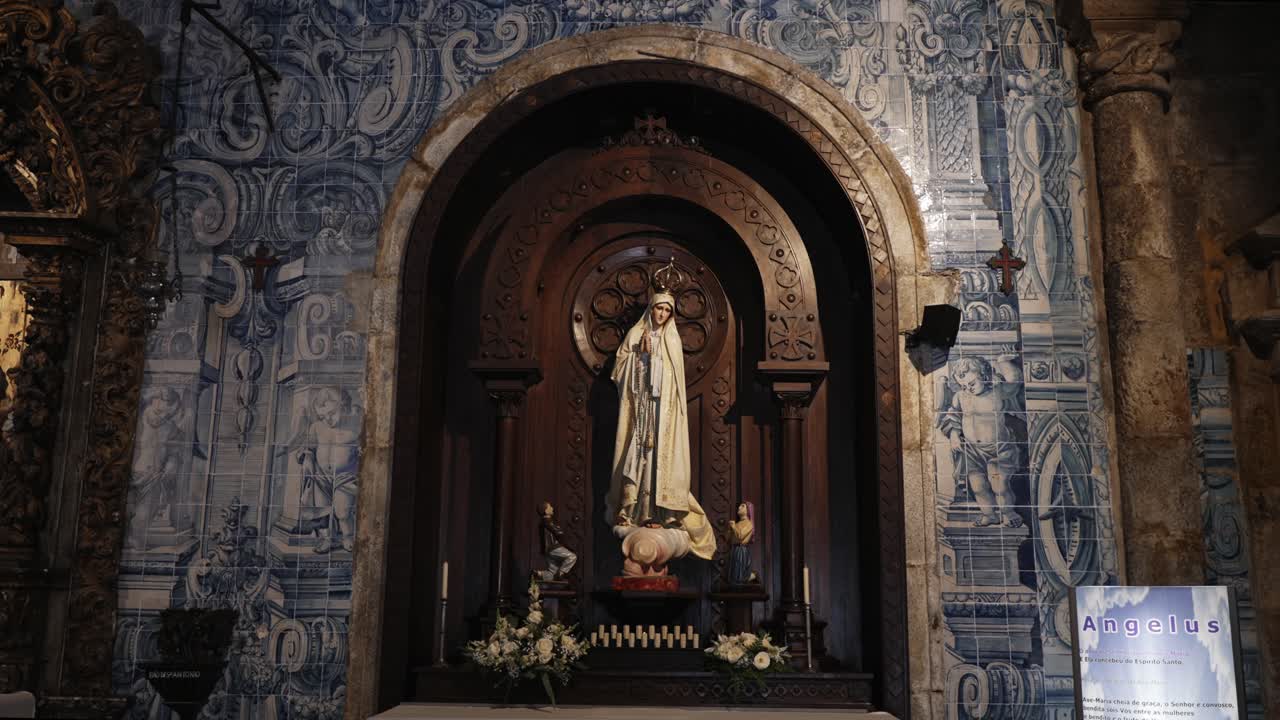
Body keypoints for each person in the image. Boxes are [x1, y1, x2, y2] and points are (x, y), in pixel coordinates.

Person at [605, 291, 715, 560]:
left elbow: (672, 380)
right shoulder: (634, 335)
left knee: (659, 463)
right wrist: (639, 358)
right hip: (640, 412)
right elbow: (619, 370)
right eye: (659, 310)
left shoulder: (672, 340)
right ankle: (636, 511)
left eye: (667, 311)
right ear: (651, 310)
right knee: (638, 459)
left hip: (662, 414)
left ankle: (661, 513)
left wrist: (655, 360)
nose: (662, 315)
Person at [938, 355, 1024, 528]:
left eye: (971, 384)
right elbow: (952, 417)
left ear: (984, 375)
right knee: (978, 486)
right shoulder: (961, 397)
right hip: (971, 450)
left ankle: (1008, 512)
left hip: (999, 449)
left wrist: (1002, 361)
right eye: (963, 386)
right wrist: (955, 436)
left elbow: (1015, 381)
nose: (967, 389)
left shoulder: (997, 391)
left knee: (999, 483)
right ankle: (989, 514)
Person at [296, 387, 361, 552]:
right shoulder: (317, 427)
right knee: (322, 511)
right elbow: (309, 448)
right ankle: (327, 539)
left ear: (344, 407)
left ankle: (347, 537)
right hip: (321, 475)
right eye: (322, 416)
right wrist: (308, 458)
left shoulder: (354, 426)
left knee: (343, 511)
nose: (328, 419)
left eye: (332, 413)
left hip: (345, 476)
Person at [535, 501, 577, 582]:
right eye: (550, 507)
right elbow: (558, 532)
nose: (552, 508)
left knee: (552, 572)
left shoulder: (543, 522)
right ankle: (561, 573)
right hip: (553, 547)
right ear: (546, 511)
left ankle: (539, 574)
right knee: (572, 557)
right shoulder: (547, 521)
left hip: (547, 550)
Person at [727, 501, 758, 585]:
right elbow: (729, 540)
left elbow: (741, 536)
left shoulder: (749, 524)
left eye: (742, 506)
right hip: (735, 549)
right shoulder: (737, 524)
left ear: (748, 510)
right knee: (733, 574)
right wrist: (730, 531)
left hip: (742, 550)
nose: (739, 507)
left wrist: (733, 527)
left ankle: (751, 576)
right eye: (739, 506)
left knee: (739, 575)